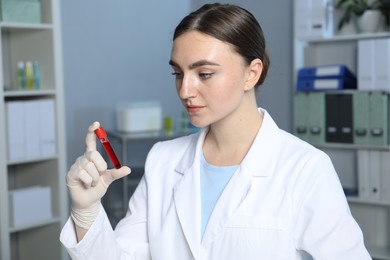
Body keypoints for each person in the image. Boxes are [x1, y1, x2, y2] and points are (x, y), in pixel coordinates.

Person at [60, 3, 371, 259]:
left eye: (204, 73)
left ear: (252, 73)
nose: (185, 90)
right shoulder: (163, 161)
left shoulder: (304, 168)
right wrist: (86, 212)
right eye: (177, 73)